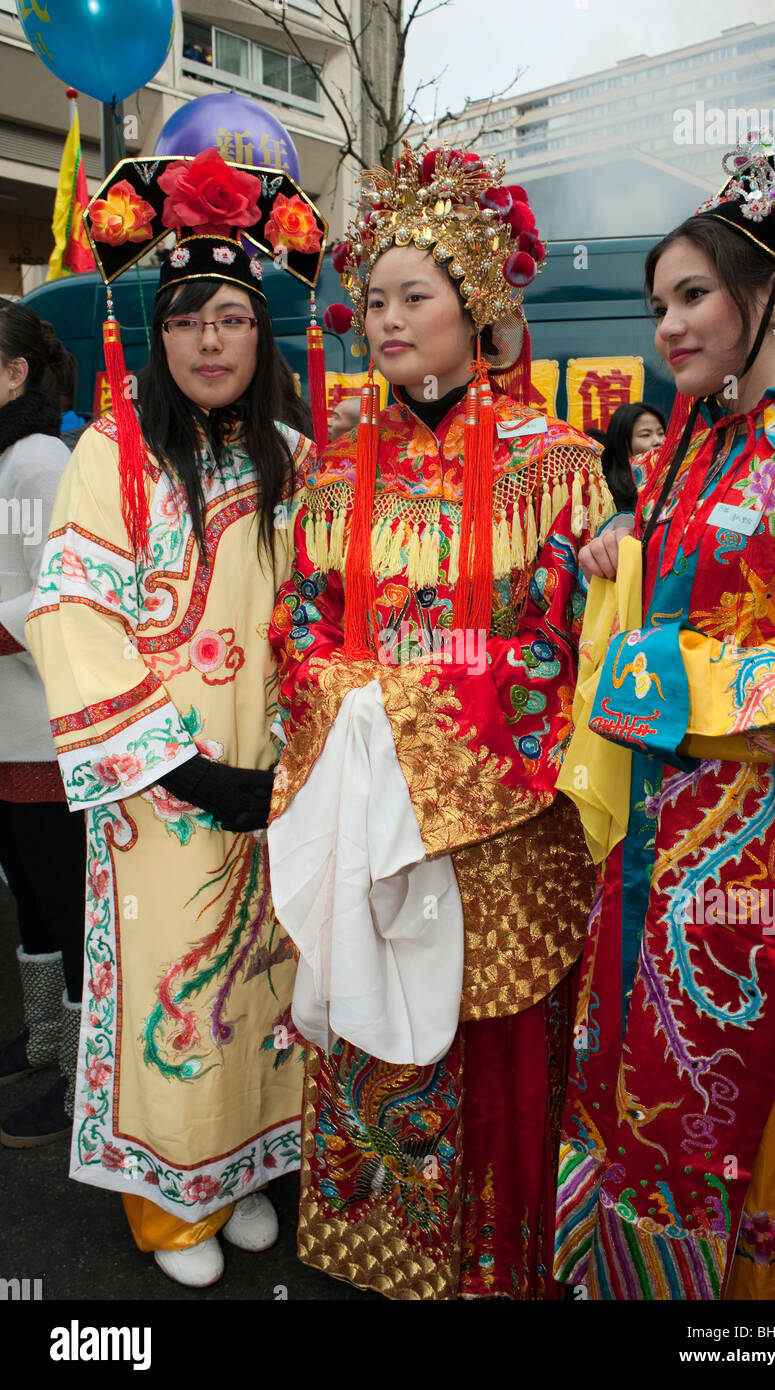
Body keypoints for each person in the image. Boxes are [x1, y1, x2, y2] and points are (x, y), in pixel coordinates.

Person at [267, 143, 613, 1300]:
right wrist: (347, 701)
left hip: (499, 838)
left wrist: (400, 704)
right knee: (377, 1034)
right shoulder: (331, 478)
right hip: (373, 830)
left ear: (480, 308)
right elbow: (297, 636)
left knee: (497, 1050)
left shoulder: (557, 468)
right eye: (375, 298)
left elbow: (564, 658)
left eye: (417, 295)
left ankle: (497, 1269)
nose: (389, 318)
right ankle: (382, 1257)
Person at [554, 67, 775, 1300]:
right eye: (658, 303)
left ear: (773, 292)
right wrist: (619, 566)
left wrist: (698, 680)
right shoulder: (690, 453)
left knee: (745, 1118)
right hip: (654, 852)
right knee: (638, 1090)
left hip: (774, 858)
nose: (669, 324)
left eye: (693, 294)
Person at [26, 148, 327, 1288]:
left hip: (275, 778)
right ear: (158, 335)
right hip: (160, 791)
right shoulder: (114, 454)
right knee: (170, 986)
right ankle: (166, 1202)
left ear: (262, 336)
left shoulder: (296, 458)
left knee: (267, 982)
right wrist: (184, 768)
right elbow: (73, 619)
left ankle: (243, 1170)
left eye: (234, 318)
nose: (211, 339)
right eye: (189, 315)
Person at [0, 302, 86, 1148]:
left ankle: (80, 1077)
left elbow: (55, 584)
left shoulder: (38, 458)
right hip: (4, 722)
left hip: (42, 726)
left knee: (67, 905)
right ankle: (47, 1038)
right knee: (27, 896)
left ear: (15, 372)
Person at [601, 400, 666, 510]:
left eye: (661, 433)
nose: (658, 441)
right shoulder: (605, 491)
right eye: (645, 435)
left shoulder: (674, 479)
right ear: (622, 442)